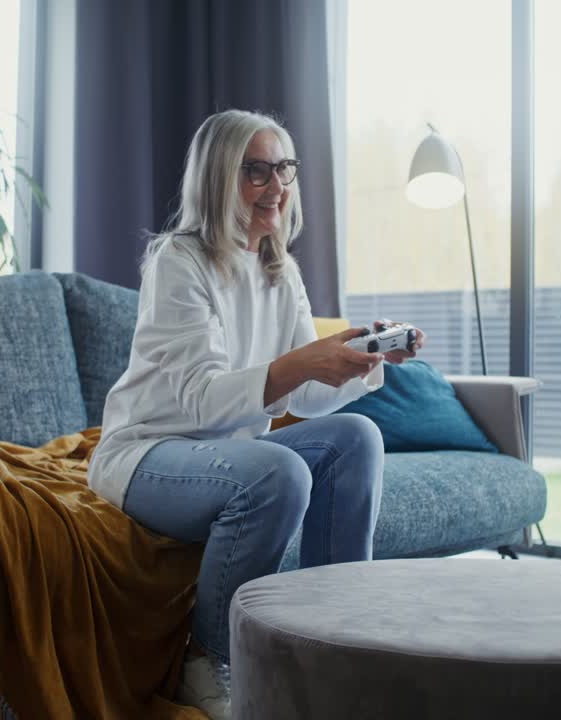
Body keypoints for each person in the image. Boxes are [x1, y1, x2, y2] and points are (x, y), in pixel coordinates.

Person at [87, 109, 425, 720]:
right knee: (280, 472)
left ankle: (334, 643)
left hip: (235, 453)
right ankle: (207, 658)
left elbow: (302, 400)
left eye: (284, 169)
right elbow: (200, 399)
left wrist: (358, 363)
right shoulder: (178, 262)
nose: (277, 186)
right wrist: (303, 362)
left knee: (357, 437)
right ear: (219, 179)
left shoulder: (280, 270)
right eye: (257, 172)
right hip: (148, 452)